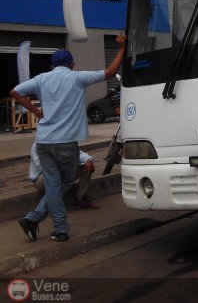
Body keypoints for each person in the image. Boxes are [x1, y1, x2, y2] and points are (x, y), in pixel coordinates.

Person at [11, 35, 126, 242]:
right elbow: (110, 72)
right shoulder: (77, 77)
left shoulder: (42, 78)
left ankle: (39, 221)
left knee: (55, 185)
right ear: (72, 64)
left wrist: (36, 112)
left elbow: (15, 92)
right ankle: (50, 225)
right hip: (66, 142)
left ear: (52, 65)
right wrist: (121, 49)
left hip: (44, 142)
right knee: (62, 183)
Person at [29, 142, 99, 210]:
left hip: (61, 173)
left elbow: (78, 153)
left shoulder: (62, 141)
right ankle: (51, 208)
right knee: (56, 173)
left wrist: (88, 160)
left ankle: (79, 199)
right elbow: (43, 167)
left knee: (86, 167)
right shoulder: (38, 145)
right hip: (41, 178)